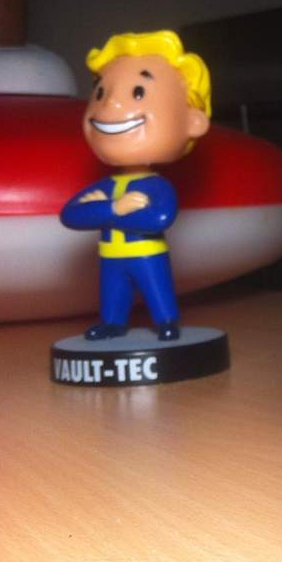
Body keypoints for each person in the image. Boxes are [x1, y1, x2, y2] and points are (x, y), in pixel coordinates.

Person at [60, 31, 211, 341]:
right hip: (110, 256)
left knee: (157, 290)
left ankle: (167, 322)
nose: (111, 103)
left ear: (192, 122)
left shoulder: (157, 186)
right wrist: (114, 208)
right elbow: (70, 215)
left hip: (146, 254)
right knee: (112, 293)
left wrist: (102, 211)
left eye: (138, 92)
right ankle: (112, 323)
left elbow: (158, 218)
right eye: (100, 92)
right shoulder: (107, 186)